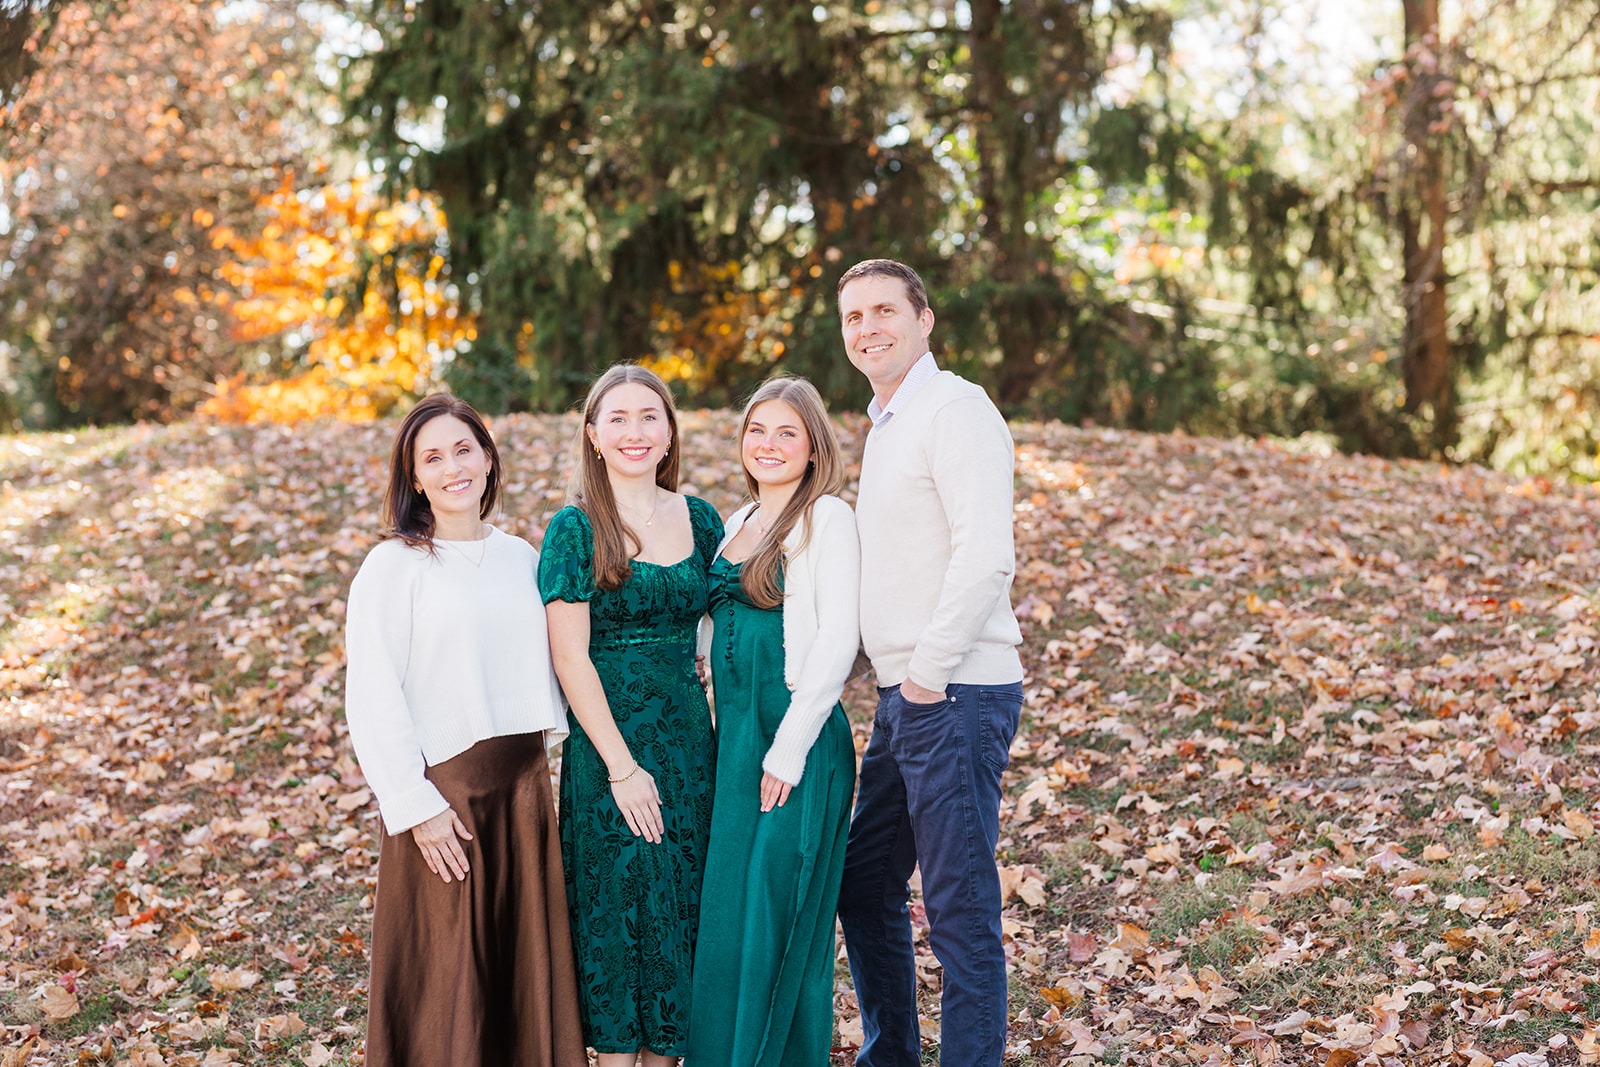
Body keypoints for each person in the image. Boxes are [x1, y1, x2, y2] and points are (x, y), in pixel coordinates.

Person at [343, 393, 585, 1067]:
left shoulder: (521, 557)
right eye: (432, 457)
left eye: (463, 449)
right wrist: (416, 806)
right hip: (446, 797)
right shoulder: (394, 566)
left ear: (486, 457)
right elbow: (371, 694)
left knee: (517, 982)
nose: (452, 467)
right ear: (414, 477)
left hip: (525, 791)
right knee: (450, 987)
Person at [833, 260, 1026, 1067]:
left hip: (953, 691)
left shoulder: (956, 409)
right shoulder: (887, 426)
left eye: (884, 310)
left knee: (959, 910)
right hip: (908, 697)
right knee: (862, 880)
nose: (867, 327)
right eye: (852, 316)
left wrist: (925, 676)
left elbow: (986, 558)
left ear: (924, 321)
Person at [539, 364, 724, 1067]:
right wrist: (622, 769)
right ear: (593, 433)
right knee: (620, 930)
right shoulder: (574, 528)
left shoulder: (701, 518)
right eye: (617, 418)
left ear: (670, 430)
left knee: (678, 919)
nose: (635, 431)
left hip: (689, 753)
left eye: (650, 415)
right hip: (608, 756)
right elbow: (570, 658)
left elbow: (722, 629)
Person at [686, 377, 860, 1067]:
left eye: (788, 431)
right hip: (735, 747)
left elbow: (838, 638)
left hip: (799, 743)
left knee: (775, 917)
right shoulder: (734, 523)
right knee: (728, 919)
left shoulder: (828, 518)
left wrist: (786, 752)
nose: (770, 444)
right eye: (758, 429)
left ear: (814, 445)